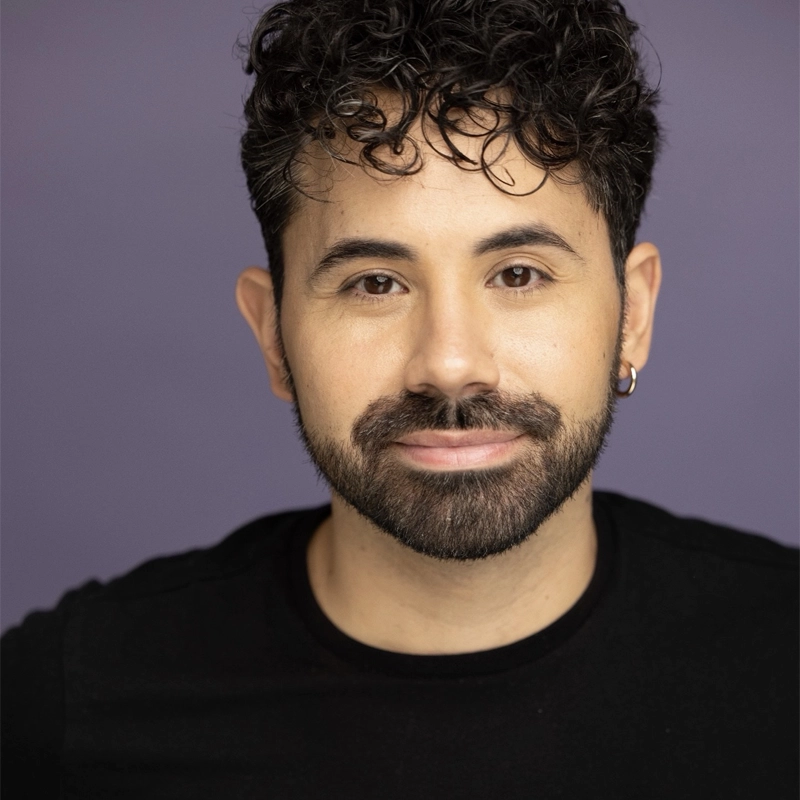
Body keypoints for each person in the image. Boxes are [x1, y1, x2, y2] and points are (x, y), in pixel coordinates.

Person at [2, 0, 797, 797]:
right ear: (274, 335)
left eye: (519, 274)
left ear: (633, 316)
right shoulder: (65, 705)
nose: (449, 365)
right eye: (375, 283)